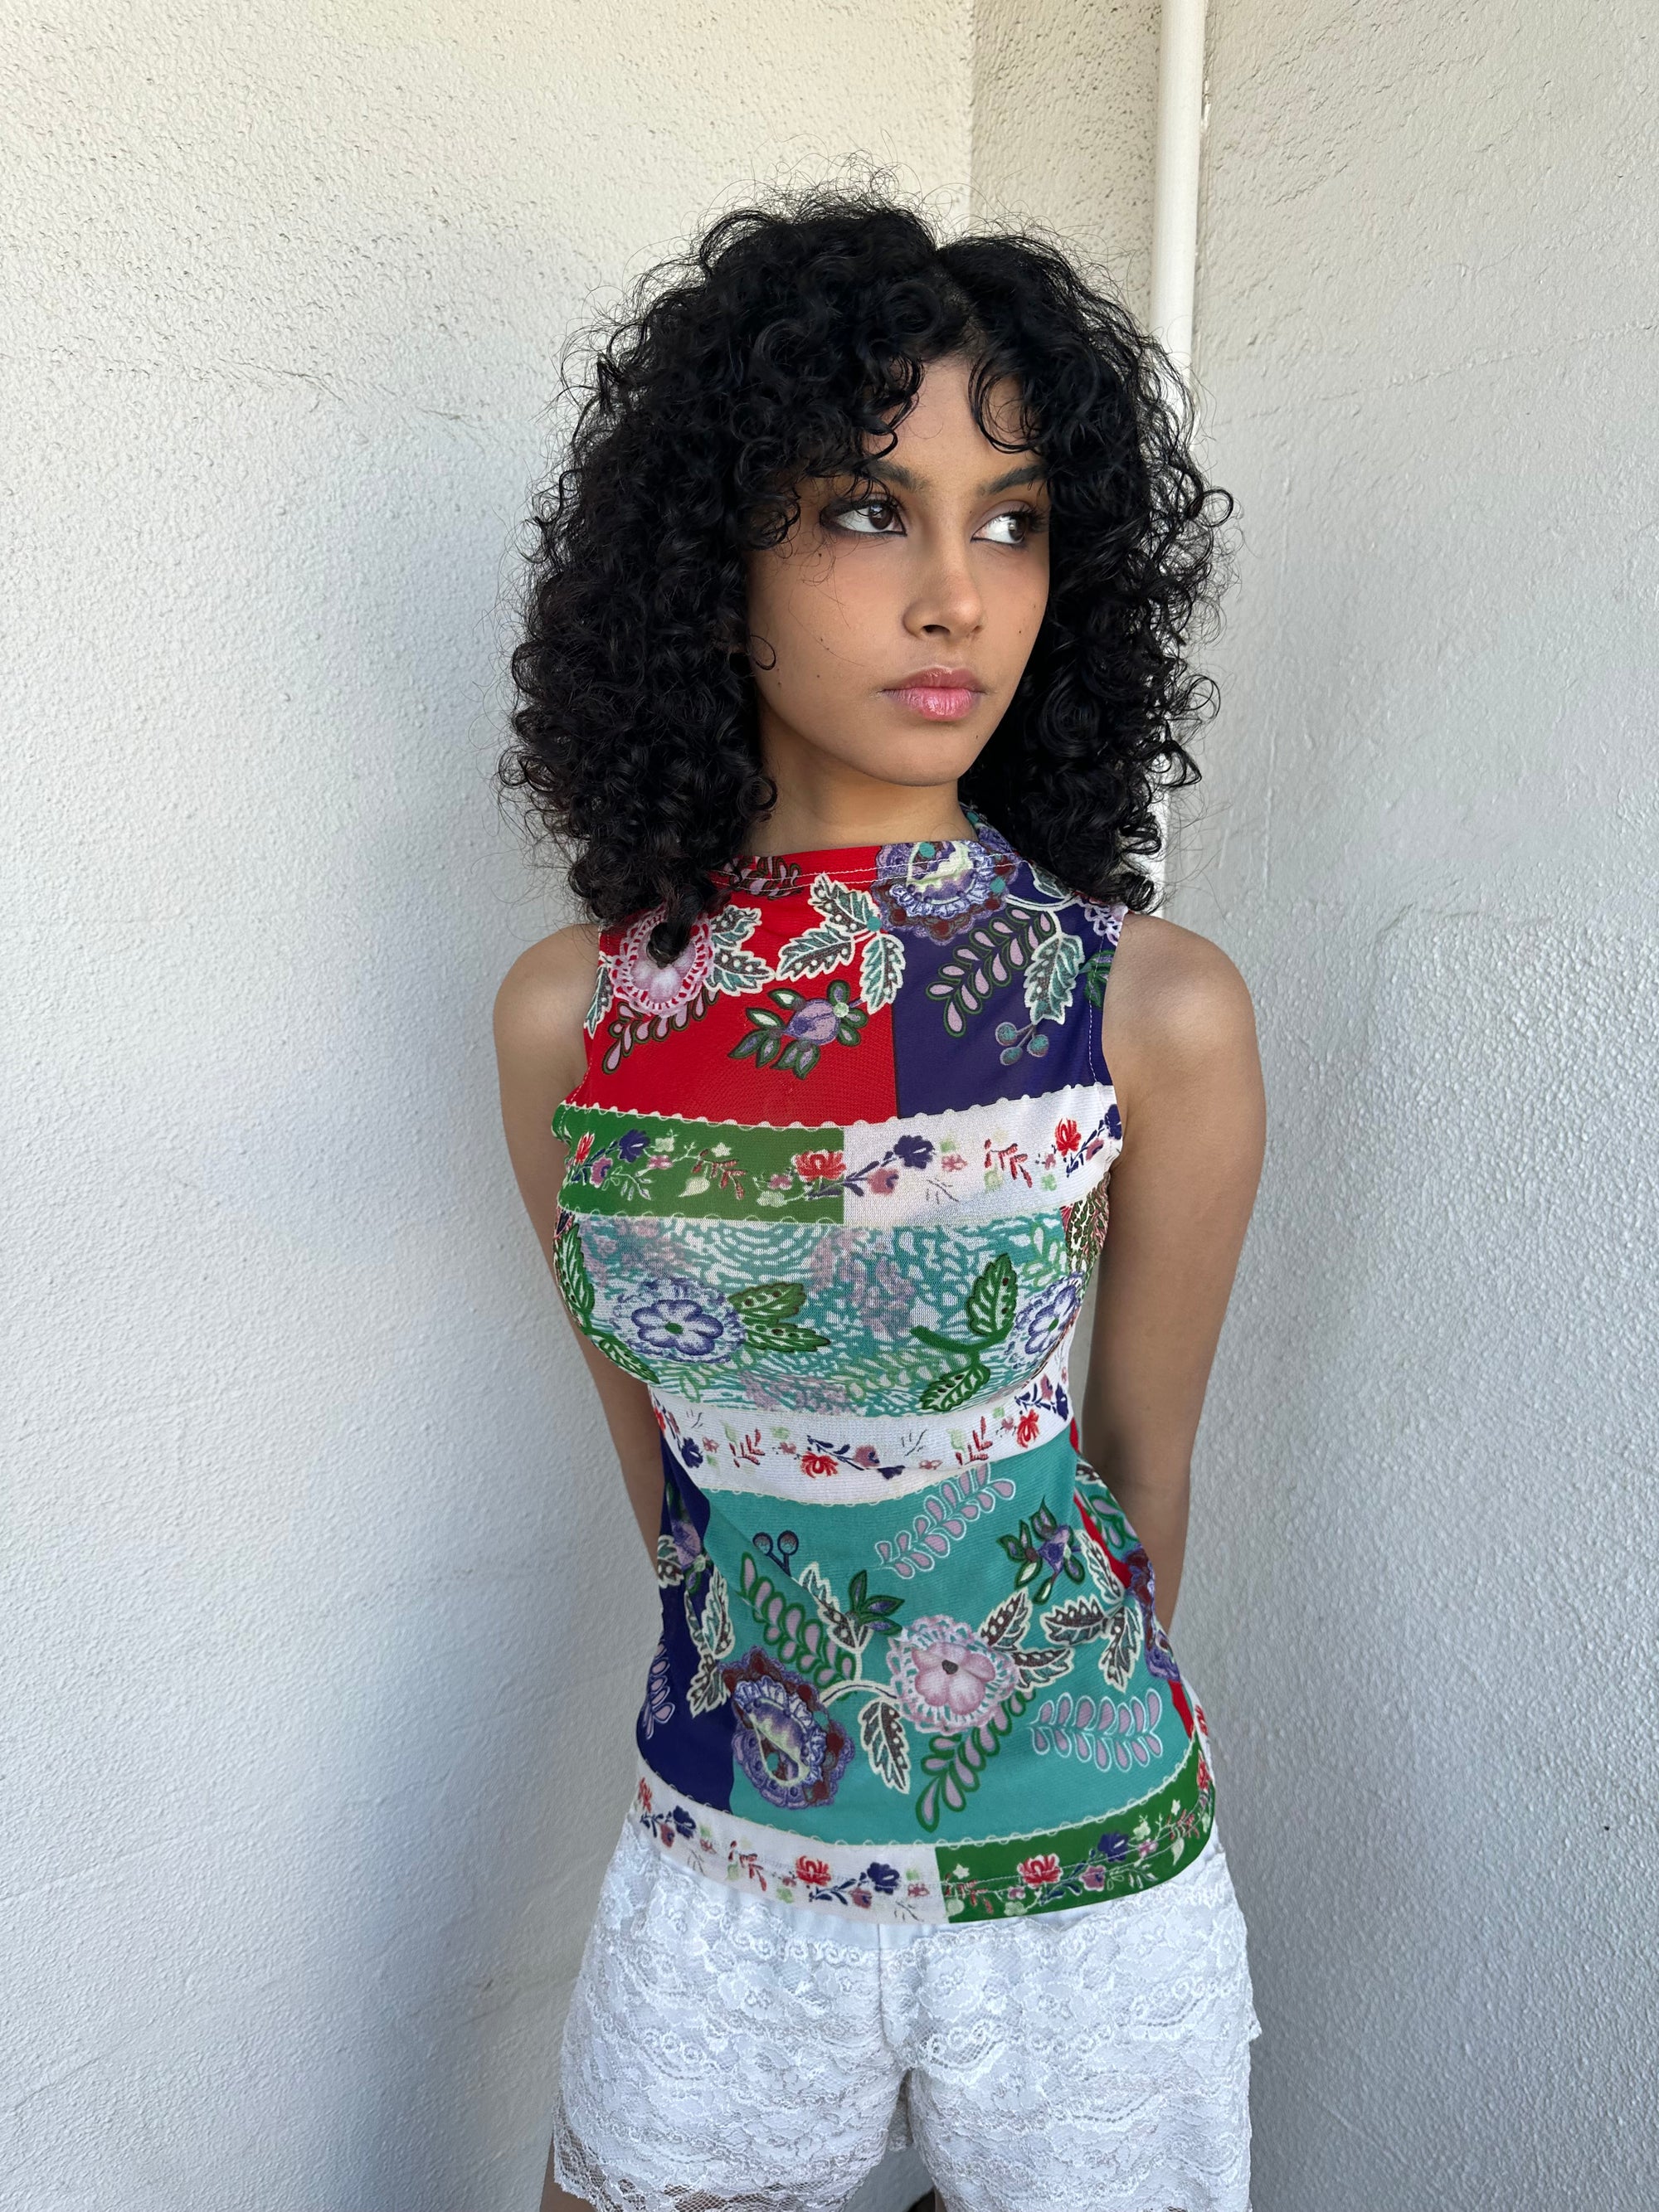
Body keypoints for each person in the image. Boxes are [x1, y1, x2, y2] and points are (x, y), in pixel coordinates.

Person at [494, 187, 1266, 2212]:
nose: (958, 595)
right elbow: (671, 1486)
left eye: (1009, 519)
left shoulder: (1147, 1009)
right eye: (867, 508)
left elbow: (1133, 1486)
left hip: (1080, 1890)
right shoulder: (573, 1020)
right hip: (724, 1855)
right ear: (709, 554)